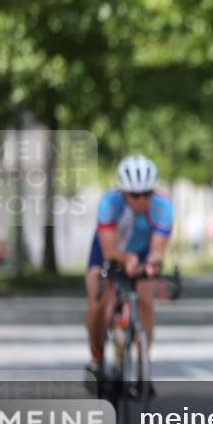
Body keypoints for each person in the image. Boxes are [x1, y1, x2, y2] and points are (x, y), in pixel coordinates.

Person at [84, 155, 174, 377]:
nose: (142, 200)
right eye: (135, 195)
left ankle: (144, 364)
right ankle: (96, 356)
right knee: (99, 300)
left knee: (145, 301)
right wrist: (124, 260)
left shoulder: (163, 207)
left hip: (142, 253)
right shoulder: (109, 204)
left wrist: (152, 264)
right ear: (123, 192)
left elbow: (157, 249)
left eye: (147, 194)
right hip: (109, 250)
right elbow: (109, 251)